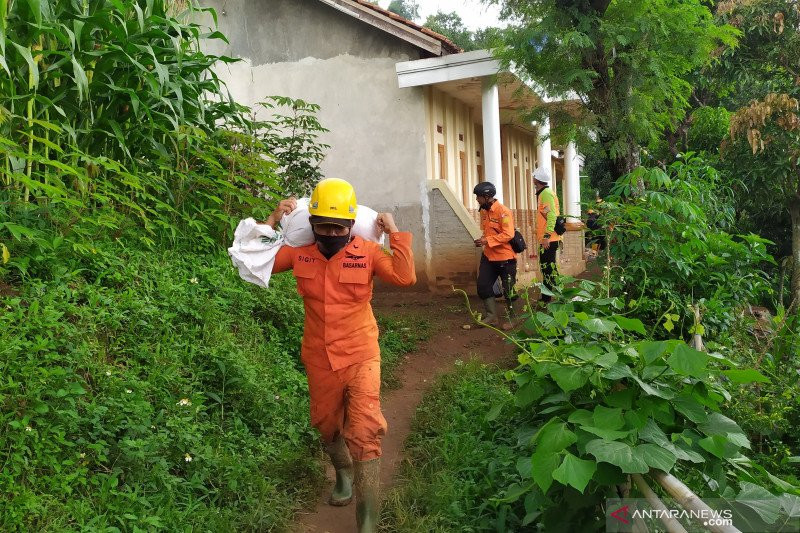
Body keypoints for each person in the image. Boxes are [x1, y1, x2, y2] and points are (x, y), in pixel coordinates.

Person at [260, 178, 416, 532]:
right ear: (312, 226)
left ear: (349, 226)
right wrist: (271, 221)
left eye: (338, 226)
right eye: (323, 226)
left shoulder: (368, 253)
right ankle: (343, 474)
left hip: (361, 354)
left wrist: (392, 231)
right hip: (318, 356)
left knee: (364, 430)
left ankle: (368, 521)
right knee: (327, 425)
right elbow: (255, 263)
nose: (330, 233)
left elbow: (405, 277)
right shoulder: (300, 254)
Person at [473, 181, 518, 330]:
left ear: (487, 197)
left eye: (478, 197)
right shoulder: (484, 211)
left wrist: (487, 240)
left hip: (505, 258)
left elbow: (508, 234)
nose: (477, 200)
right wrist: (482, 240)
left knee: (508, 289)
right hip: (488, 256)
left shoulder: (503, 211)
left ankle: (513, 318)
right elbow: (488, 232)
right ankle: (492, 317)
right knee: (483, 286)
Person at [533, 168, 561, 303]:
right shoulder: (544, 193)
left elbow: (551, 216)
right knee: (549, 268)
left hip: (549, 239)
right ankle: (552, 296)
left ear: (537, 180)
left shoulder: (546, 194)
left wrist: (546, 236)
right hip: (549, 238)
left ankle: (546, 300)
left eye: (534, 177)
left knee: (547, 269)